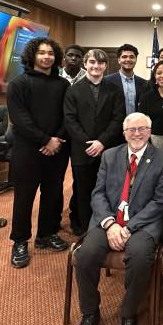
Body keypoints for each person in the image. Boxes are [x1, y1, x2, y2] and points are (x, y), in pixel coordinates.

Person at [73, 112, 163, 325]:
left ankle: (128, 316)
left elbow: (159, 202)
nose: (136, 134)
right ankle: (90, 314)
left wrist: (128, 227)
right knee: (85, 255)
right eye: (131, 130)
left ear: (150, 132)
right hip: (108, 222)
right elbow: (98, 194)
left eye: (142, 129)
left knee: (140, 257)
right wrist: (110, 224)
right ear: (124, 132)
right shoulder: (110, 156)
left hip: (143, 224)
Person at [6, 37, 70, 268]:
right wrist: (45, 140)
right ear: (32, 56)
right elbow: (20, 120)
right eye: (42, 53)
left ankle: (46, 234)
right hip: (28, 151)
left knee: (53, 194)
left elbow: (68, 115)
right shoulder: (18, 84)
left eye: (51, 53)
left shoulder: (63, 85)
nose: (46, 57)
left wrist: (56, 140)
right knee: (24, 197)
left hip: (58, 150)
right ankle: (20, 240)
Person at [63, 49, 126, 236]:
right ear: (85, 64)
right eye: (92, 62)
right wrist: (89, 143)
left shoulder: (114, 90)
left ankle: (107, 222)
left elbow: (118, 118)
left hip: (108, 149)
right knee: (83, 189)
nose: (96, 66)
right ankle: (84, 226)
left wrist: (101, 142)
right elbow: (70, 120)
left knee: (109, 188)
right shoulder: (73, 90)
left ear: (106, 66)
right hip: (82, 150)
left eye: (100, 63)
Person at [59, 44, 87, 234]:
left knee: (80, 179)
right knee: (56, 180)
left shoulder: (88, 77)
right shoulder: (56, 77)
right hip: (58, 136)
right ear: (64, 57)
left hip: (81, 136)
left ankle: (77, 217)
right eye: (70, 55)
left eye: (78, 56)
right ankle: (53, 221)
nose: (74, 58)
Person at [104, 44, 149, 116]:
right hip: (115, 126)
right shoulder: (107, 81)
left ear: (136, 60)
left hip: (137, 125)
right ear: (119, 60)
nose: (128, 60)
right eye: (124, 57)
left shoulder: (144, 83)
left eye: (131, 57)